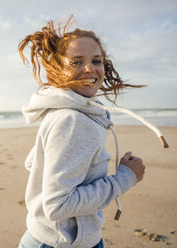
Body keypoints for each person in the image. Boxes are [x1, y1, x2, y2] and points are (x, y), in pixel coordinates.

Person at [17, 16, 146, 248]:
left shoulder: (68, 112)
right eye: (77, 62)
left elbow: (34, 163)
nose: (90, 68)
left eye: (96, 60)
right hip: (59, 243)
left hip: (46, 237)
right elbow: (58, 205)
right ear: (59, 70)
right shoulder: (73, 119)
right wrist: (126, 177)